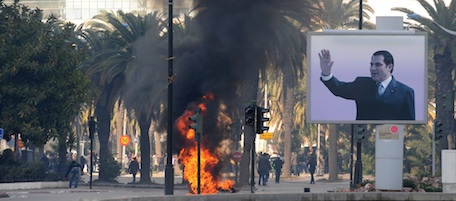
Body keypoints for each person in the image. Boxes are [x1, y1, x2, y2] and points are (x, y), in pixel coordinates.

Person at [319, 49, 415, 120]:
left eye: (378, 65)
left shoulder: (405, 92)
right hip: (363, 140)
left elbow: (410, 125)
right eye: (371, 64)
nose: (372, 68)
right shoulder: (362, 84)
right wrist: (326, 73)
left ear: (389, 67)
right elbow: (338, 88)